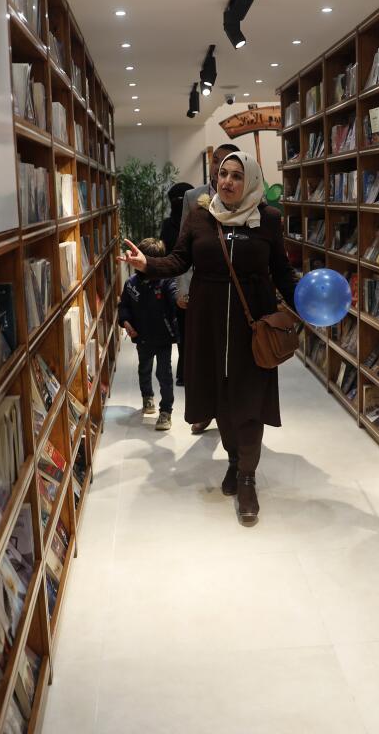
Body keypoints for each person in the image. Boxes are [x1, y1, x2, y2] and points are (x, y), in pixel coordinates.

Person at [120, 151, 297, 526]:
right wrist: (147, 265)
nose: (227, 182)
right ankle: (234, 460)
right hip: (207, 321)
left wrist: (308, 302)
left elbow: (281, 271)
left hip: (253, 323)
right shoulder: (201, 216)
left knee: (249, 397)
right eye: (222, 174)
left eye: (236, 176)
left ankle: (247, 477)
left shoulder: (267, 220)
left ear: (250, 181)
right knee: (221, 397)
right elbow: (180, 260)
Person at [179, 143, 241, 433]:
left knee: (231, 358)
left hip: (234, 291)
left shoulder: (249, 199)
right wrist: (183, 287)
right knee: (201, 356)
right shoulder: (194, 197)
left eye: (227, 164)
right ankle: (205, 411)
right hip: (201, 289)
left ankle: (231, 413)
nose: (219, 168)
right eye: (216, 162)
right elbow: (184, 249)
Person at [117, 238, 179, 431]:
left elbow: (176, 300)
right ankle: (147, 397)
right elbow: (123, 306)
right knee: (144, 369)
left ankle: (166, 411)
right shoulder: (131, 284)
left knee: (164, 374)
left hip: (163, 338)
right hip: (141, 337)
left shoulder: (166, 283)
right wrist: (126, 322)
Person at [160, 182, 194, 383]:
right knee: (185, 328)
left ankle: (184, 372)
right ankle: (186, 371)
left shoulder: (169, 224)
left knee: (184, 329)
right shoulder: (197, 221)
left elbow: (166, 254)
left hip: (181, 281)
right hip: (181, 282)